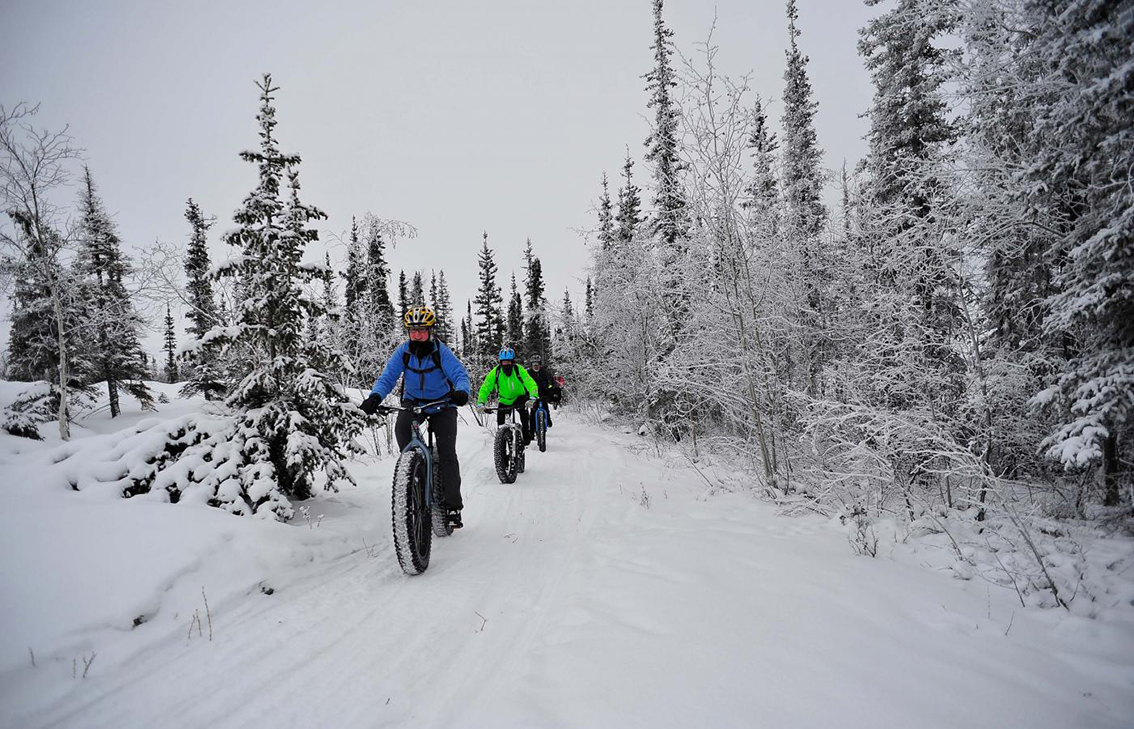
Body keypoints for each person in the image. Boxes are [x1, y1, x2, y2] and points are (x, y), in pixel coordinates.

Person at [361, 306, 471, 528]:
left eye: (421, 330)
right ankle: (417, 467)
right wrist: (375, 397)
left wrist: (462, 391)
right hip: (413, 402)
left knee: (448, 453)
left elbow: (459, 374)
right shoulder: (404, 352)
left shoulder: (441, 351)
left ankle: (452, 507)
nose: (417, 335)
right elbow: (388, 377)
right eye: (412, 330)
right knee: (402, 430)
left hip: (443, 404)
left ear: (430, 330)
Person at [477, 347, 538, 444]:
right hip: (504, 400)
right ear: (500, 362)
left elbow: (530, 383)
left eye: (508, 362)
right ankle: (501, 446)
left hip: (519, 398)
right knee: (500, 425)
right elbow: (486, 387)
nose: (506, 364)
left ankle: (526, 435)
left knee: (524, 416)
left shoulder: (519, 369)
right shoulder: (496, 372)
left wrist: (533, 397)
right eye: (504, 362)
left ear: (512, 362)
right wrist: (480, 402)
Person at [528, 354, 562, 428]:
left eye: (537, 364)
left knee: (545, 408)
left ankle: (548, 420)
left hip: (544, 393)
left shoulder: (546, 373)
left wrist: (555, 390)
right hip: (532, 395)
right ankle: (531, 430)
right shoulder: (528, 373)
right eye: (534, 365)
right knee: (532, 412)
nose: (535, 366)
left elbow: (553, 383)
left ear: (540, 365)